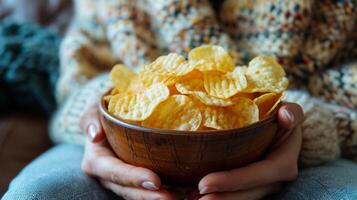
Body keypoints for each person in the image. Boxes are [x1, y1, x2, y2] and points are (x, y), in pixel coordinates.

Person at [4, 0, 357, 199]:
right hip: (126, 142)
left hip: (312, 144)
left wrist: (304, 126)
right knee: (34, 195)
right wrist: (97, 122)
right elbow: (81, 73)